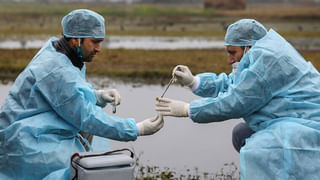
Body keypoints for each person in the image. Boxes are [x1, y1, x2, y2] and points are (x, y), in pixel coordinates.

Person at [0, 9, 163, 180]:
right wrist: (136, 129)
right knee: (78, 168)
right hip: (27, 141)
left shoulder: (60, 52)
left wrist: (96, 96)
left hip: (32, 127)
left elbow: (65, 96)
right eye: (95, 42)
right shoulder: (57, 69)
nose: (99, 49)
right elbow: (86, 116)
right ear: (76, 39)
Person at [156, 19, 320, 179]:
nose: (229, 60)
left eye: (232, 52)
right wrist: (194, 82)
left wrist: (188, 110)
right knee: (241, 133)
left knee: (258, 149)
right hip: (291, 118)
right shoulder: (259, 52)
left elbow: (236, 101)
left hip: (308, 124)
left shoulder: (267, 60)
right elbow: (235, 84)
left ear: (247, 46)